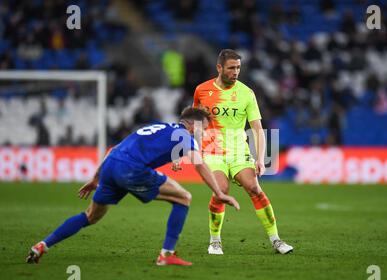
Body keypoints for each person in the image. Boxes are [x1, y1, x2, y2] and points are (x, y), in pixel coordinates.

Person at [26, 107, 240, 266]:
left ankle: (42, 245)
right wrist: (219, 193)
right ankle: (166, 255)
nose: (204, 133)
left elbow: (115, 148)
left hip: (111, 166)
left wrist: (96, 178)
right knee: (184, 197)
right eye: (204, 128)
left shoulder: (158, 126)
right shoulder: (185, 135)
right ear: (194, 125)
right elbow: (200, 164)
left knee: (90, 216)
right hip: (131, 169)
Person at [188, 49, 293, 255]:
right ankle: (215, 241)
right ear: (219, 68)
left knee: (254, 188)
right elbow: (197, 124)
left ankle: (276, 240)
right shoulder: (202, 90)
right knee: (221, 190)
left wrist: (261, 159)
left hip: (239, 152)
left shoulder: (247, 93)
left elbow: (258, 130)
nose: (235, 72)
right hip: (213, 151)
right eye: (231, 68)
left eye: (238, 67)